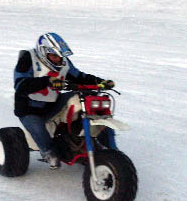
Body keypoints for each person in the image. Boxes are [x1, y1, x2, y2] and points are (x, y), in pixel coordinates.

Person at [14, 32, 114, 169]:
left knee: (82, 98)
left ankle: (82, 138)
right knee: (39, 130)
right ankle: (49, 153)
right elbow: (20, 85)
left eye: (60, 56)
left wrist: (101, 82)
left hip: (53, 103)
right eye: (54, 56)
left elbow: (79, 77)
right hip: (29, 107)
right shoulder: (28, 59)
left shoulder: (63, 63)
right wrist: (47, 81)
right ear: (43, 52)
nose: (58, 59)